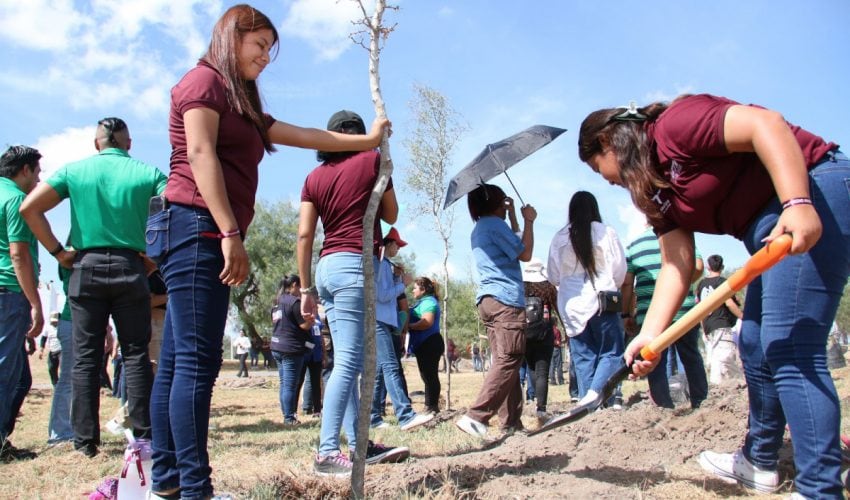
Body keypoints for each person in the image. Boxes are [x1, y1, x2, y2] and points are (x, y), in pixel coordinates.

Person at [145, 6, 391, 496]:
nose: (265, 58)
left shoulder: (242, 99)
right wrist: (229, 234)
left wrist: (366, 139)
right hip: (195, 226)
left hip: (197, 226)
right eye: (258, 46)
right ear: (230, 38)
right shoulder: (204, 82)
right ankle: (196, 490)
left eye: (269, 51)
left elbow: (303, 135)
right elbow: (199, 155)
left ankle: (168, 484)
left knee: (175, 362)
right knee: (196, 363)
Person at [578, 94, 849, 496]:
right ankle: (760, 461)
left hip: (816, 187)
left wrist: (798, 201)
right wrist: (648, 335)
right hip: (765, 228)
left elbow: (766, 125)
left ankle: (819, 488)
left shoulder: (673, 127)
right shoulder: (653, 192)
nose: (610, 183)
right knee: (755, 343)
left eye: (602, 171)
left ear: (607, 143)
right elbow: (677, 265)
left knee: (790, 345)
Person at [21, 117, 166, 459]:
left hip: (85, 268)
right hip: (132, 267)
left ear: (96, 143)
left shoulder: (74, 171)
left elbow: (30, 207)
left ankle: (86, 441)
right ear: (128, 144)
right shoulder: (149, 173)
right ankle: (143, 436)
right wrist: (154, 259)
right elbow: (175, 212)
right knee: (135, 353)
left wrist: (58, 251)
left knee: (86, 358)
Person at [297, 108, 406, 478]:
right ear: (361, 135)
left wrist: (305, 287)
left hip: (325, 268)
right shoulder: (372, 161)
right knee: (348, 364)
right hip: (354, 265)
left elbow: (304, 236)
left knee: (343, 360)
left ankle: (360, 445)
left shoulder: (314, 177)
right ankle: (327, 451)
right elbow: (390, 214)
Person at [456, 184, 536, 438]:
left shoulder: (481, 228)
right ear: (493, 203)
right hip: (506, 300)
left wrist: (513, 217)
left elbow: (512, 244)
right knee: (509, 358)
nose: (505, 205)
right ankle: (476, 416)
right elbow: (525, 253)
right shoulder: (493, 224)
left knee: (507, 360)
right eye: (503, 202)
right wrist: (529, 221)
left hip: (489, 300)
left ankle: (511, 423)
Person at [548, 191, 626, 406]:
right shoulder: (606, 232)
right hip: (603, 300)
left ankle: (589, 407)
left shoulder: (560, 237)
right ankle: (596, 396)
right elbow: (620, 271)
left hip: (572, 305)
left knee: (583, 358)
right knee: (610, 353)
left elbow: (553, 276)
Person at [622, 225, 708, 408]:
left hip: (650, 314)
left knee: (654, 361)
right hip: (684, 311)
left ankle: (663, 405)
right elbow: (698, 266)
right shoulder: (678, 234)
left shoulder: (634, 246)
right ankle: (700, 402)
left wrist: (626, 313)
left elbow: (627, 283)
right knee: (691, 356)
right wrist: (681, 284)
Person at [0, 145, 43, 462]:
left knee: (22, 377)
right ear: (25, 170)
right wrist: (34, 303)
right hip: (9, 292)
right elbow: (19, 254)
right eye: (38, 172)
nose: (39, 179)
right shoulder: (16, 200)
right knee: (6, 374)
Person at [371, 228, 433, 431]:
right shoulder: (380, 264)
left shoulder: (387, 266)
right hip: (379, 320)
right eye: (396, 244)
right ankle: (405, 415)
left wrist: (398, 279)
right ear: (387, 244)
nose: (398, 248)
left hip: (385, 321)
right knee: (390, 366)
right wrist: (403, 284)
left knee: (381, 370)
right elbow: (381, 295)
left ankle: (373, 417)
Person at [696, 254, 744, 384]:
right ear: (722, 267)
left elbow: (700, 308)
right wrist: (742, 317)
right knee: (725, 357)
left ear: (707, 266)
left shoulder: (701, 284)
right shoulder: (723, 283)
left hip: (708, 325)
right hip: (722, 323)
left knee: (719, 357)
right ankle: (739, 383)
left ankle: (727, 385)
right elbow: (729, 303)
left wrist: (703, 326)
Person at [270, 275, 312, 424]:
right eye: (300, 287)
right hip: (291, 348)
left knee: (284, 383)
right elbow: (303, 325)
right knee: (290, 385)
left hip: (276, 346)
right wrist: (311, 320)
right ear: (295, 285)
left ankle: (286, 414)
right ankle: (289, 417)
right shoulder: (295, 302)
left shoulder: (276, 302)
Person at [521, 258, 559, 422]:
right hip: (545, 333)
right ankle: (541, 408)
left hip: (526, 334)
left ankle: (532, 399)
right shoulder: (549, 288)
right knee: (543, 371)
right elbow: (558, 309)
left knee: (531, 368)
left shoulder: (520, 287)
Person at [407, 277, 445, 415]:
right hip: (426, 344)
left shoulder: (428, 302)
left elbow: (427, 322)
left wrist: (409, 326)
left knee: (430, 376)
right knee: (428, 376)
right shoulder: (423, 302)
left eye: (415, 288)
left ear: (423, 290)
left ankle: (431, 406)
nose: (412, 290)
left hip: (430, 343)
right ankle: (431, 406)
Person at [39, 313, 62, 386]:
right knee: (51, 368)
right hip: (52, 351)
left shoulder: (63, 327)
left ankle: (63, 386)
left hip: (62, 351)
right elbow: (43, 339)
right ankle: (55, 386)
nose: (54, 323)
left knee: (63, 369)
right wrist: (41, 350)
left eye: (56, 321)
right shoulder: (47, 328)